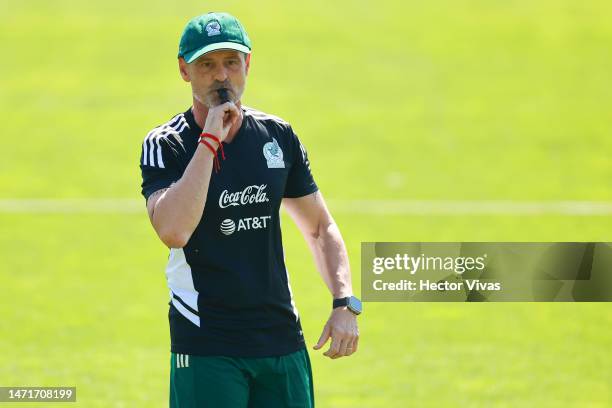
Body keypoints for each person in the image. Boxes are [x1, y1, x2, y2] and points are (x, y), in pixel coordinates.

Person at [139, 12, 362, 408]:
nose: (221, 76)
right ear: (184, 71)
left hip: (281, 341)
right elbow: (173, 230)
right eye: (206, 64)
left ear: (248, 64)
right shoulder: (167, 144)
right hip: (207, 342)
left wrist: (344, 302)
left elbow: (319, 228)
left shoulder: (278, 136)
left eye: (231, 62)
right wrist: (209, 139)